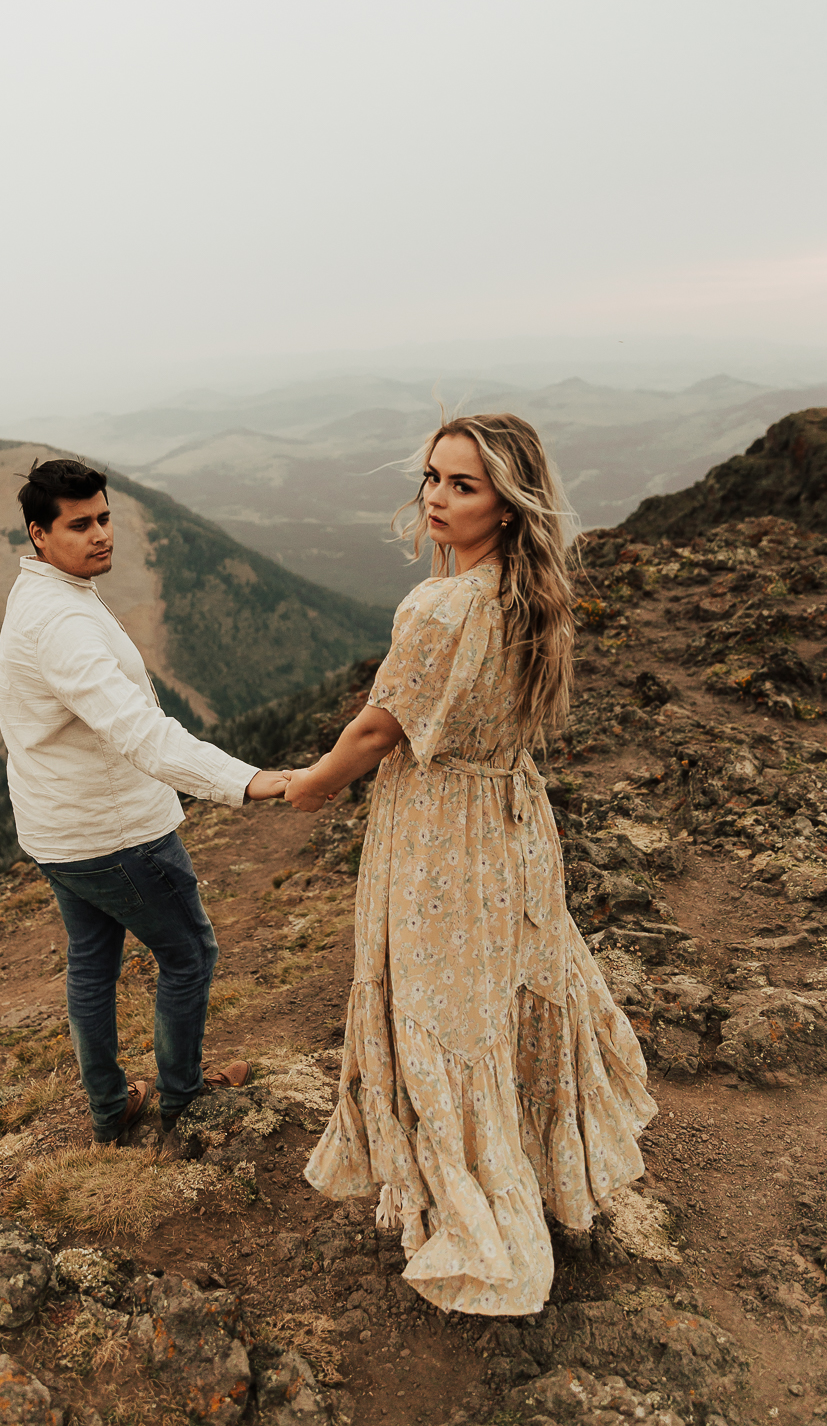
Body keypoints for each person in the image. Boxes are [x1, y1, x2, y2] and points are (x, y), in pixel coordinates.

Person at [283, 414, 656, 1316]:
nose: (439, 499)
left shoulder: (440, 605)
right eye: (433, 479)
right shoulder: (534, 593)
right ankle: (539, 1170)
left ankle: (479, 1212)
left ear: (505, 502)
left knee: (440, 1006)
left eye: (464, 485)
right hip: (510, 819)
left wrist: (312, 784)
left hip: (440, 827)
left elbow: (380, 726)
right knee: (509, 988)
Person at [0, 458, 287, 1156]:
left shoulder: (45, 590)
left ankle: (110, 1111)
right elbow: (138, 733)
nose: (100, 535)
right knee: (188, 954)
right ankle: (182, 1104)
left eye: (103, 517)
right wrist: (252, 781)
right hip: (115, 834)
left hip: (60, 834)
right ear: (39, 534)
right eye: (79, 524)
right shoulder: (61, 623)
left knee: (92, 965)